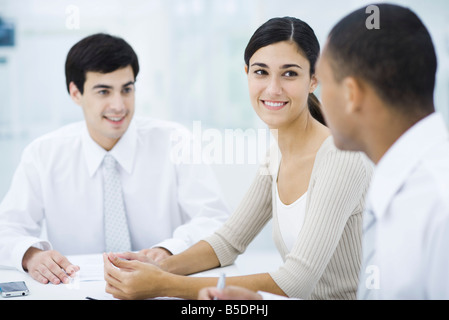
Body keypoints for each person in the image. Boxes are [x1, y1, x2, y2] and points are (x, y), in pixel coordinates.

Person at [103, 17, 373, 300]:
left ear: (313, 79)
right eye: (261, 72)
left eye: (290, 74)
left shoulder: (342, 158)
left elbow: (296, 280)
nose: (273, 88)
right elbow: (229, 240)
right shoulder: (277, 154)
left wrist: (163, 284)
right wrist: (159, 267)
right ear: (246, 74)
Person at [200, 3, 449, 300]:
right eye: (261, 73)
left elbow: (299, 279)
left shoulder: (436, 201)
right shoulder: (401, 183)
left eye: (322, 81)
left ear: (351, 94)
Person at [0, 33, 230, 285]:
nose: (119, 105)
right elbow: (6, 230)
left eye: (127, 89)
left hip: (163, 285)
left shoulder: (176, 142)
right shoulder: (42, 155)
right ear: (75, 93)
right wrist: (30, 255)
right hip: (74, 289)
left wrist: (168, 252)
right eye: (103, 91)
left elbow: (215, 221)